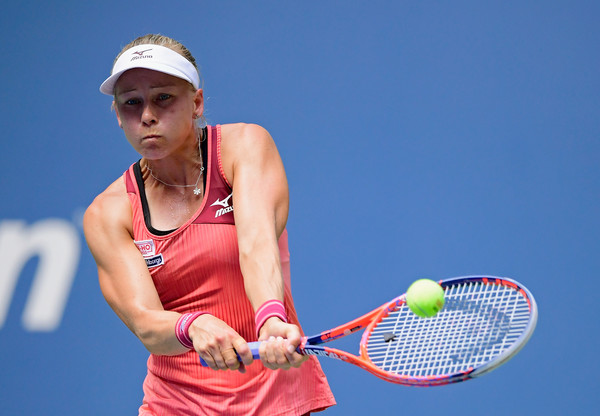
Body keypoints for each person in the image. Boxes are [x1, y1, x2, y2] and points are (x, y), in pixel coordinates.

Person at [84, 34, 336, 415]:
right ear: (119, 116)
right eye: (132, 103)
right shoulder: (108, 213)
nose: (147, 115)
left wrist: (270, 317)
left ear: (197, 103)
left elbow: (255, 242)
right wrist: (193, 325)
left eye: (163, 98)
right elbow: (146, 323)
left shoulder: (244, 146)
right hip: (175, 405)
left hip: (276, 398)